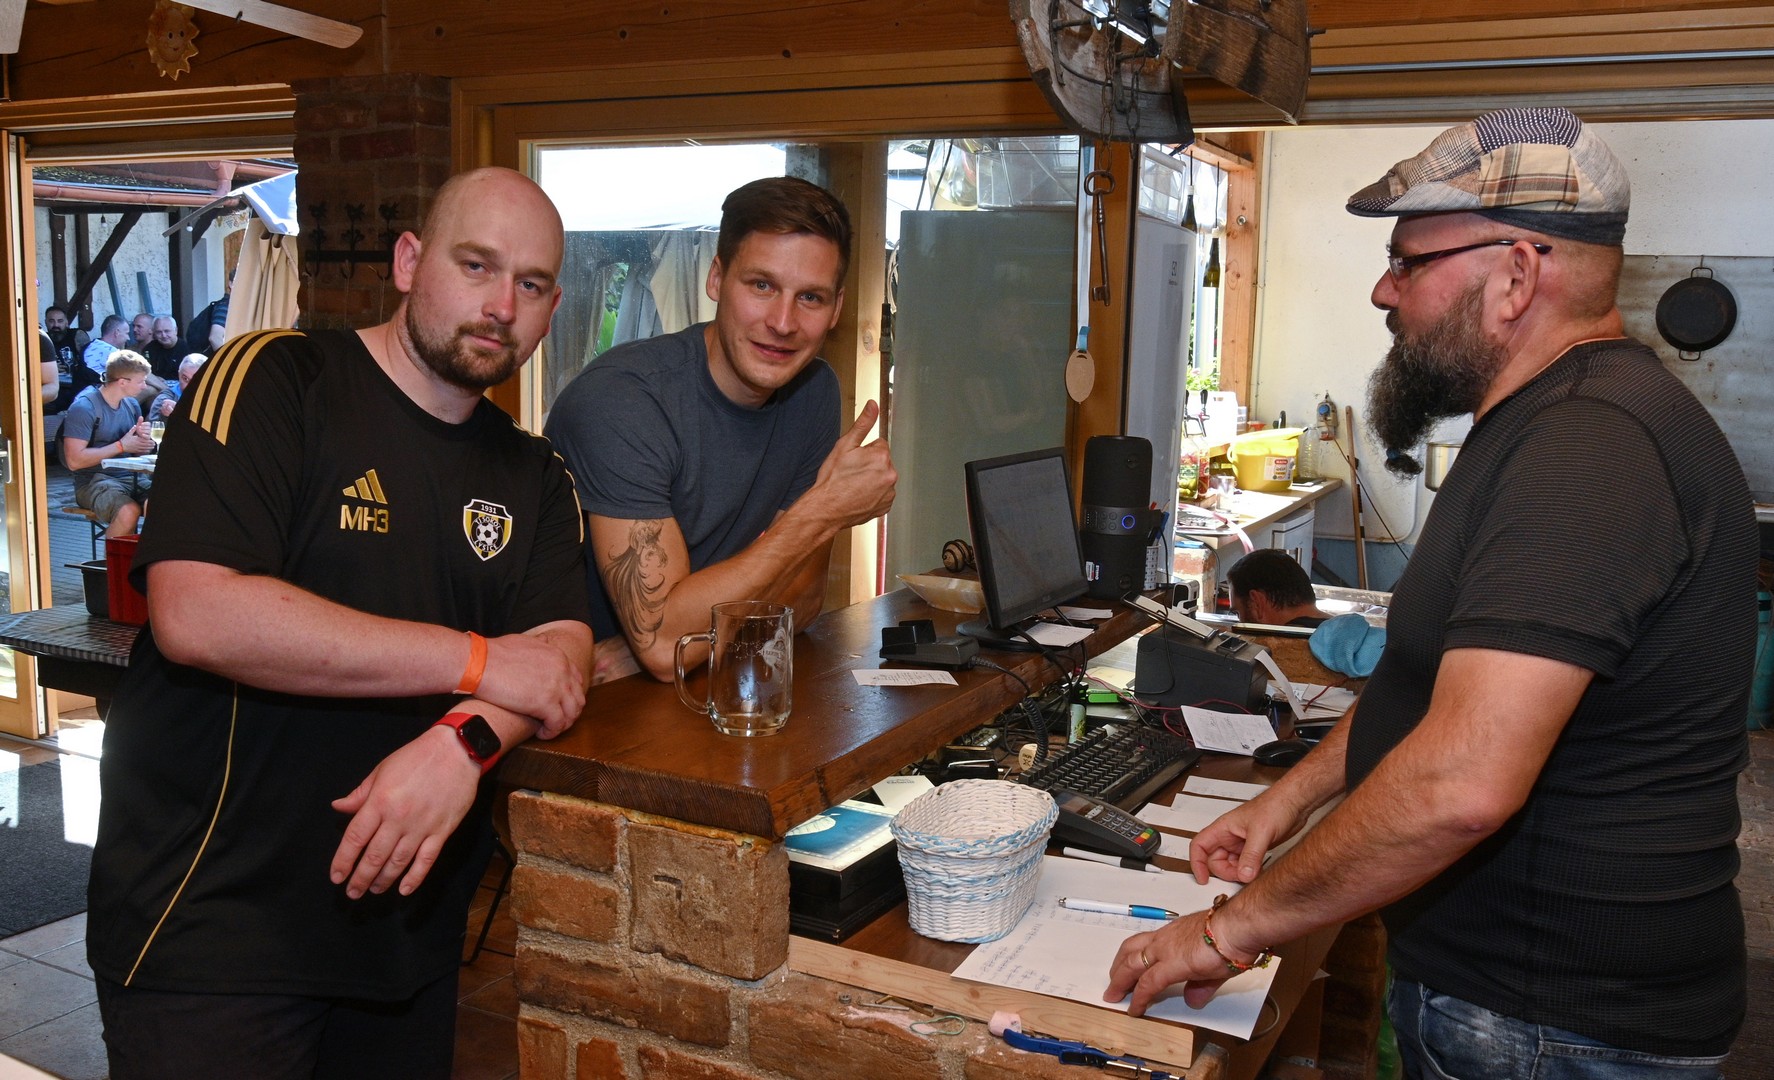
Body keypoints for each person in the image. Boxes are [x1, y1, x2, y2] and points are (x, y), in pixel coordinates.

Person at [1103, 107, 1758, 1078]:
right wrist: (1290, 800)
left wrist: (1225, 932)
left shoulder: (1586, 449)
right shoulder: (1548, 420)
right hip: (1524, 1008)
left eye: (1408, 261)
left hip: (1549, 1026)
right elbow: (1432, 686)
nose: (1383, 288)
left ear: (1517, 275)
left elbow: (1461, 784)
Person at [86, 166, 594, 1080]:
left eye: (530, 284)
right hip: (215, 932)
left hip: (403, 938)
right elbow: (197, 610)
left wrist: (463, 745)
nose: (500, 306)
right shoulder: (276, 379)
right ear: (408, 262)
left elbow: (557, 661)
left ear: (552, 309)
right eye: (476, 265)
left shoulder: (537, 475)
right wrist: (477, 661)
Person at [545, 176, 896, 683]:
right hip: (579, 697)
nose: (783, 322)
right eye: (761, 286)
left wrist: (690, 635)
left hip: (703, 678)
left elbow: (803, 601)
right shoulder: (621, 400)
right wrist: (823, 512)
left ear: (836, 310)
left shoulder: (812, 391)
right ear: (716, 279)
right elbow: (665, 648)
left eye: (810, 297)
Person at [58, 350, 155, 539]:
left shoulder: (131, 405)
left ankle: (149, 556)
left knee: (164, 504)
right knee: (128, 512)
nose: (145, 386)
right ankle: (114, 559)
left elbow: (136, 453)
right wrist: (121, 446)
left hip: (132, 477)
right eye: (141, 381)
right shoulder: (84, 408)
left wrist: (143, 441)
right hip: (93, 481)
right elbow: (74, 461)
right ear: (122, 382)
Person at [1224, 548, 1327, 627]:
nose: (1239, 621)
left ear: (1256, 603)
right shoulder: (1332, 628)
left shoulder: (1286, 645)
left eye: (1238, 613)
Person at [43, 304, 95, 412]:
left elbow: (90, 361)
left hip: (76, 390)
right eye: (51, 321)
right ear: (46, 322)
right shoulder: (42, 340)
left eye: (60, 321)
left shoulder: (76, 335)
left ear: (66, 322)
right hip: (54, 392)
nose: (56, 325)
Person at [149, 352, 204, 420]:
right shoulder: (166, 399)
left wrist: (181, 411)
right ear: (179, 374)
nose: (189, 386)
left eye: (196, 381)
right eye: (185, 379)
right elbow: (155, 424)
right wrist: (166, 415)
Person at [82, 314, 128, 379]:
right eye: (126, 333)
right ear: (117, 332)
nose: (128, 338)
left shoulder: (89, 346)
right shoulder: (111, 352)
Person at [140, 315, 184, 381]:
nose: (163, 335)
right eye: (159, 332)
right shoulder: (149, 349)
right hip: (156, 384)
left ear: (176, 330)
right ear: (154, 333)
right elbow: (144, 373)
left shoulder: (188, 350)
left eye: (167, 331)